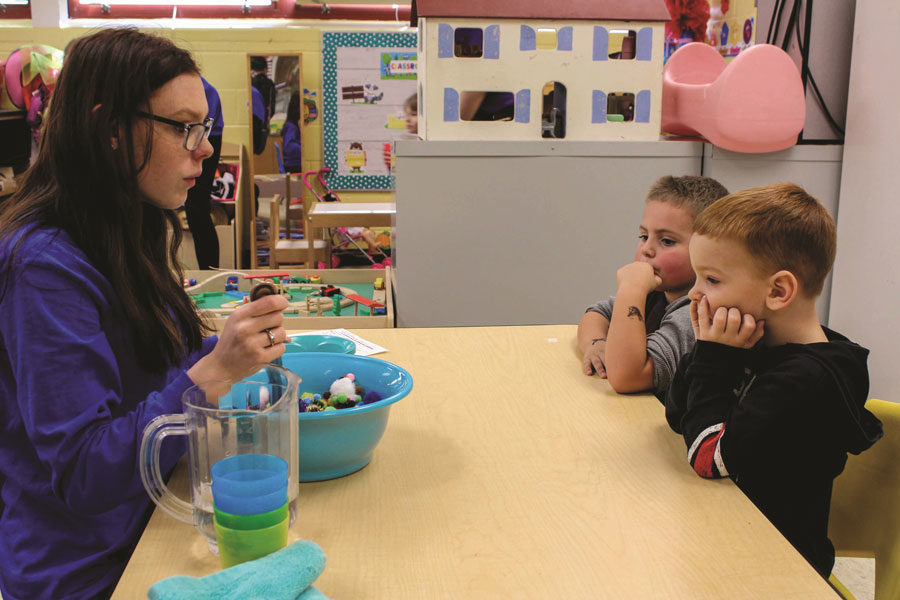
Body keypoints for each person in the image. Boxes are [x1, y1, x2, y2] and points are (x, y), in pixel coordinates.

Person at [0, 28, 290, 599]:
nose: (204, 149)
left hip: (154, 523)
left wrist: (233, 347)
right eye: (184, 127)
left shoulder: (126, 227)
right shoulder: (44, 268)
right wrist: (213, 374)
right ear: (111, 130)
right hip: (91, 571)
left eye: (202, 128)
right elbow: (83, 472)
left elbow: (156, 370)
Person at [664, 183, 883, 578]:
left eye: (711, 279)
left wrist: (714, 358)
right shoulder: (754, 344)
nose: (694, 293)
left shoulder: (807, 379)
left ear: (779, 291)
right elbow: (678, 413)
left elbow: (708, 457)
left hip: (777, 570)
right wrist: (710, 349)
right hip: (725, 534)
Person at [577, 175, 729, 398]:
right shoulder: (656, 292)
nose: (646, 249)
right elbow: (595, 314)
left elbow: (627, 378)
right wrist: (596, 344)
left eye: (666, 241)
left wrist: (631, 290)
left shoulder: (697, 312)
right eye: (644, 236)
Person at [182, 76, 223, 269]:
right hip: (201, 129)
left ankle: (209, 271)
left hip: (208, 130)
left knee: (196, 206)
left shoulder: (204, 91)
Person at [281, 91, 302, 173]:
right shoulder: (291, 127)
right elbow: (289, 146)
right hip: (293, 165)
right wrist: (303, 148)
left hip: (292, 164)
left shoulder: (291, 125)